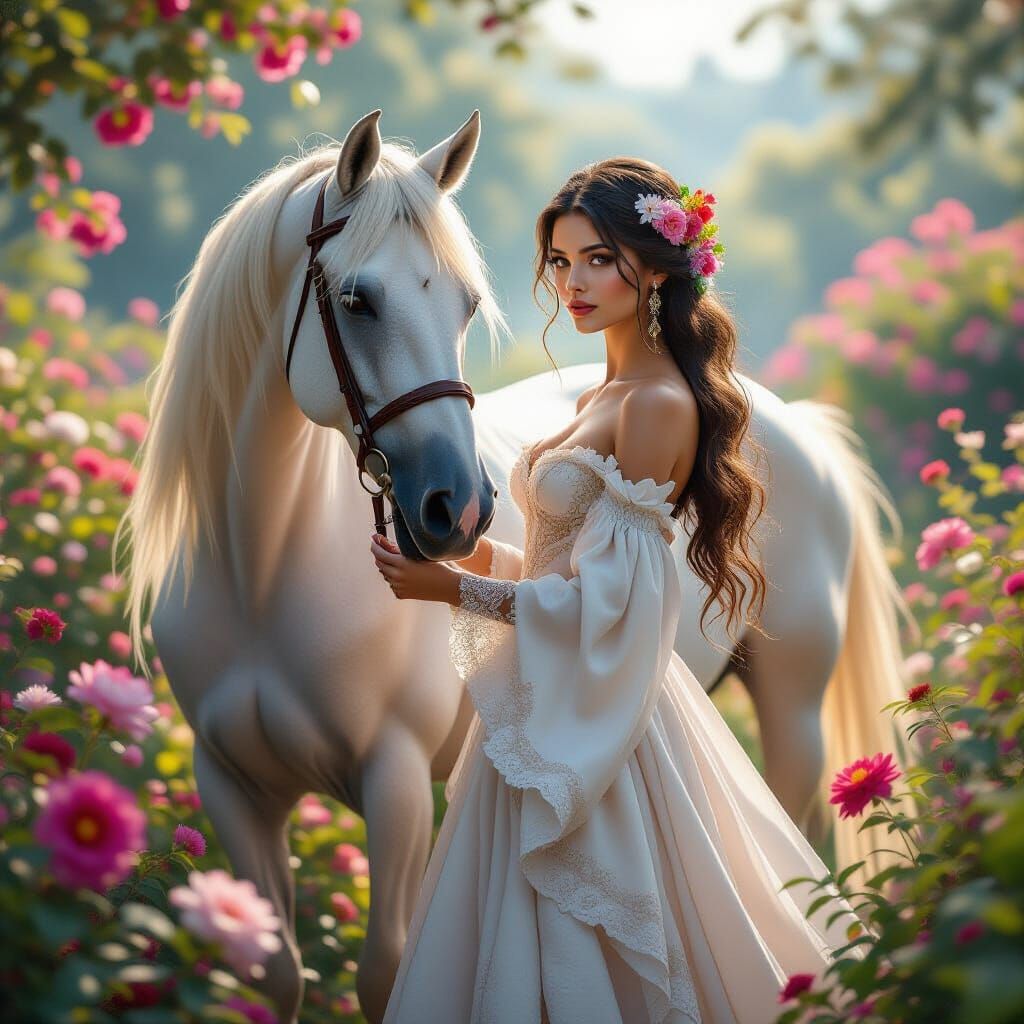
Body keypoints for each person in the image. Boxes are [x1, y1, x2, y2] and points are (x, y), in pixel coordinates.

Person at [369, 158, 867, 1023]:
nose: (573, 283)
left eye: (599, 259)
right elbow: (565, 573)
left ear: (659, 267)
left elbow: (617, 608)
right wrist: (478, 560)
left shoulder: (656, 405)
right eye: (562, 262)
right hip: (544, 699)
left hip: (605, 720)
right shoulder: (609, 393)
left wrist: (452, 592)